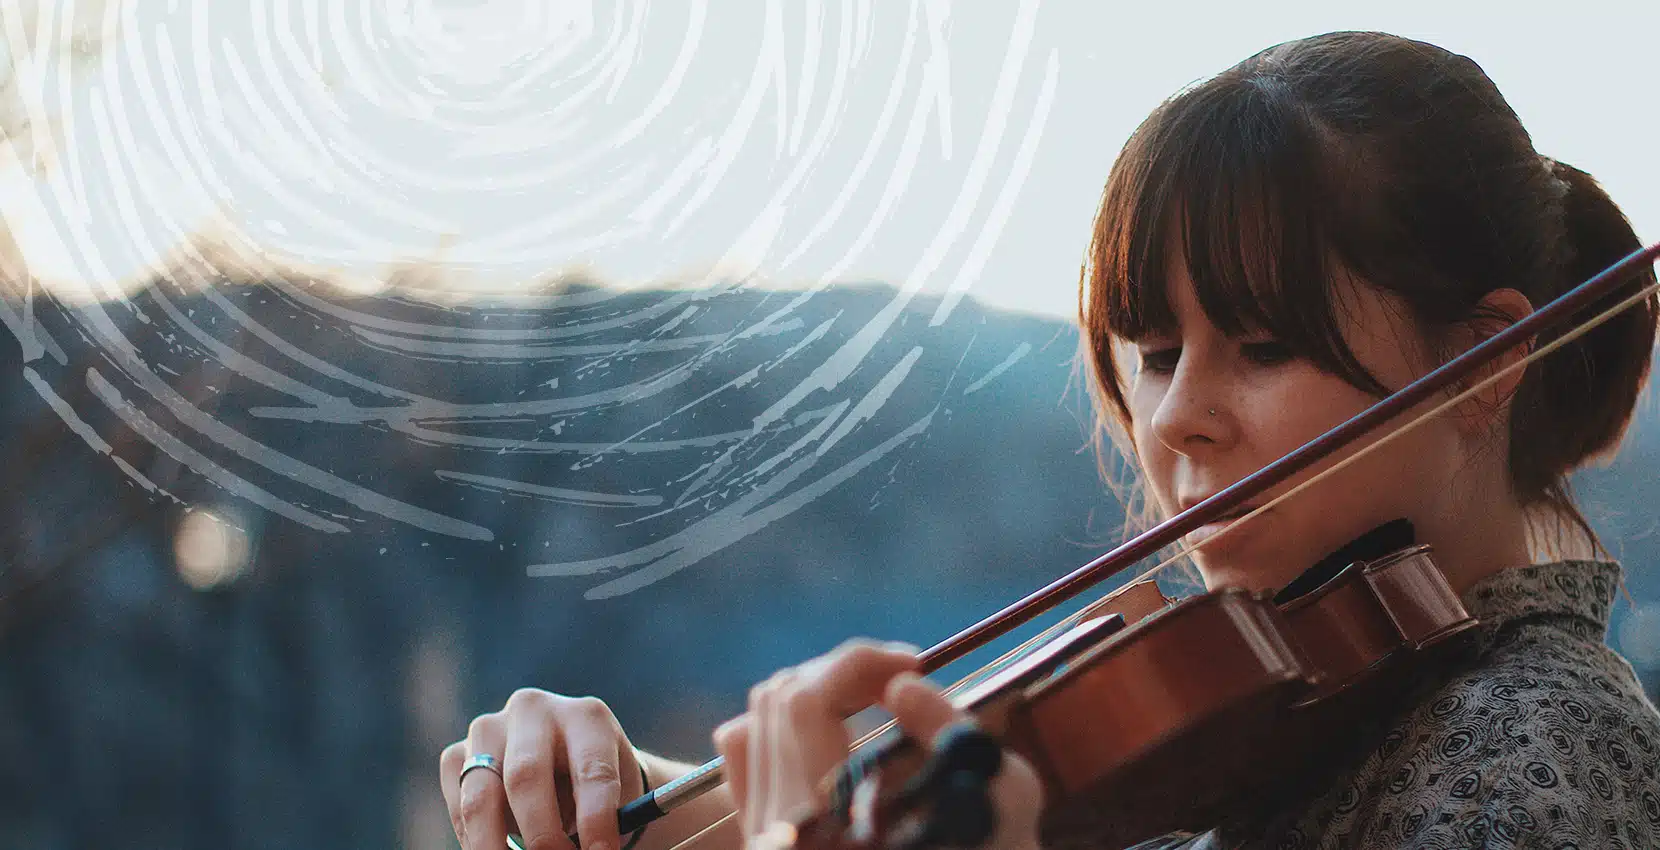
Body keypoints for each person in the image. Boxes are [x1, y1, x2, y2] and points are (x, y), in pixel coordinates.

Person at [440, 31, 1660, 850]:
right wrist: (627, 802)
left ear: (1483, 362)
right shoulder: (1290, 712)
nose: (1176, 414)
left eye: (1262, 344)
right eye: (1155, 349)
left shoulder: (1538, 750)